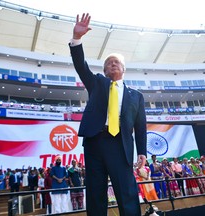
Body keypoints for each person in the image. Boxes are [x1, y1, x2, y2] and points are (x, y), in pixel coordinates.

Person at [69, 13, 147, 216]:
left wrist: (142, 152)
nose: (112, 64)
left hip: (120, 144)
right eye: (109, 63)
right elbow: (80, 66)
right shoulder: (97, 83)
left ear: (123, 69)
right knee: (95, 192)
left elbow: (140, 127)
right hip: (95, 141)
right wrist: (77, 38)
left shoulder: (136, 96)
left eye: (116, 62)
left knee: (126, 191)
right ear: (104, 70)